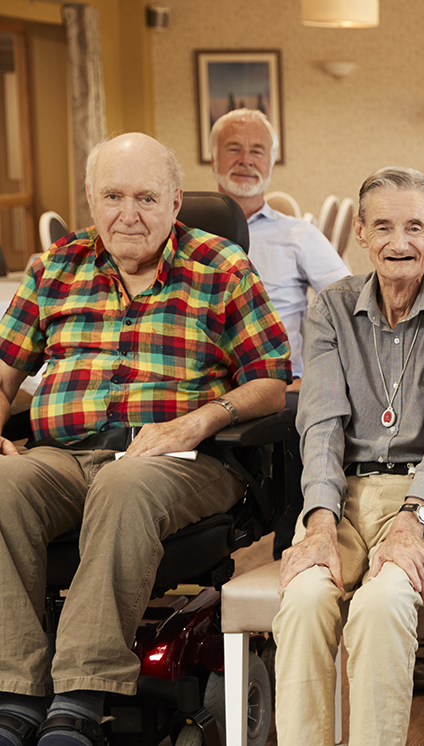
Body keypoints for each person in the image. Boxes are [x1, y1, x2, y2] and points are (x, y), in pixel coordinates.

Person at [0, 133, 290, 746]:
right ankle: (16, 694)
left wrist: (200, 419)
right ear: (90, 198)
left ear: (175, 202)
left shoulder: (221, 267)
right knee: (3, 482)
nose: (128, 214)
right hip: (64, 457)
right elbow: (5, 376)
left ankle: (79, 698)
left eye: (146, 198)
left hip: (183, 458)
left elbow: (271, 382)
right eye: (113, 196)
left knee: (123, 483)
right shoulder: (57, 268)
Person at [272, 167, 424, 746]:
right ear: (361, 234)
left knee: (384, 600)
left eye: (415, 227)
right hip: (341, 498)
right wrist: (320, 522)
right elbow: (320, 422)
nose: (400, 242)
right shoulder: (331, 308)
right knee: (304, 599)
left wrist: (414, 517)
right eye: (384, 227)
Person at [211, 108, 351, 389]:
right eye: (234, 149)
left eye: (257, 151)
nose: (246, 160)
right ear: (214, 158)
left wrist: (315, 378)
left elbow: (350, 306)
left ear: (271, 162)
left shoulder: (299, 235)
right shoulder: (184, 233)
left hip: (280, 388)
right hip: (200, 391)